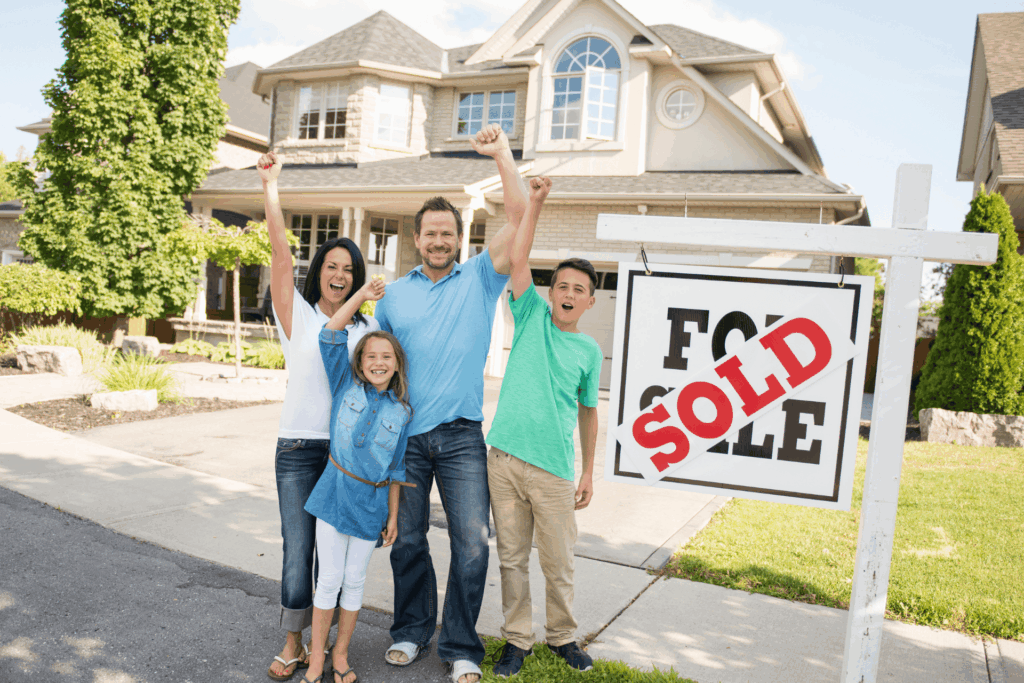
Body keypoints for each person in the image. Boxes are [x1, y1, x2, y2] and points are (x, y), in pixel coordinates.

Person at [374, 123, 527, 683]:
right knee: (407, 541)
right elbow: (376, 368)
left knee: (471, 544)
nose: (439, 241)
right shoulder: (393, 295)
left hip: (463, 435)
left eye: (447, 233)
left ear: (459, 239)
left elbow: (516, 217)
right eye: (430, 234)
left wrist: (504, 155)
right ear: (417, 239)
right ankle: (412, 632)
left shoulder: (482, 278)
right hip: (407, 437)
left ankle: (461, 645)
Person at [258, 152, 380, 681]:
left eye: (348, 269)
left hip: (343, 459)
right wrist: (271, 188)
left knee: (334, 562)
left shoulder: (362, 330)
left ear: (357, 280)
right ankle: (293, 641)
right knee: (297, 549)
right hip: (297, 450)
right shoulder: (299, 318)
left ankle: (329, 644)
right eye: (331, 267)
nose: (338, 275)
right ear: (320, 274)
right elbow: (281, 256)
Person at [485, 179, 602, 677]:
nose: (569, 294)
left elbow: (588, 411)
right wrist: (535, 203)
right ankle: (517, 639)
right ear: (550, 293)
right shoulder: (530, 313)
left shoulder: (589, 352)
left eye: (580, 289)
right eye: (563, 286)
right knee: (511, 559)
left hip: (555, 470)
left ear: (590, 301)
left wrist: (588, 473)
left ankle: (562, 637)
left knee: (558, 563)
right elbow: (518, 258)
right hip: (505, 460)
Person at [300, 278, 414, 683]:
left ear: (397, 363)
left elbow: (396, 468)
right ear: (360, 361)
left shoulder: (402, 412)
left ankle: (342, 655)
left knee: (355, 580)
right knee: (328, 578)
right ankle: (316, 659)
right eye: (371, 355)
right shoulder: (345, 384)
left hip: (372, 505)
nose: (378, 362)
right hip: (334, 494)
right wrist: (362, 297)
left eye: (387, 356)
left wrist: (394, 516)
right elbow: (330, 333)